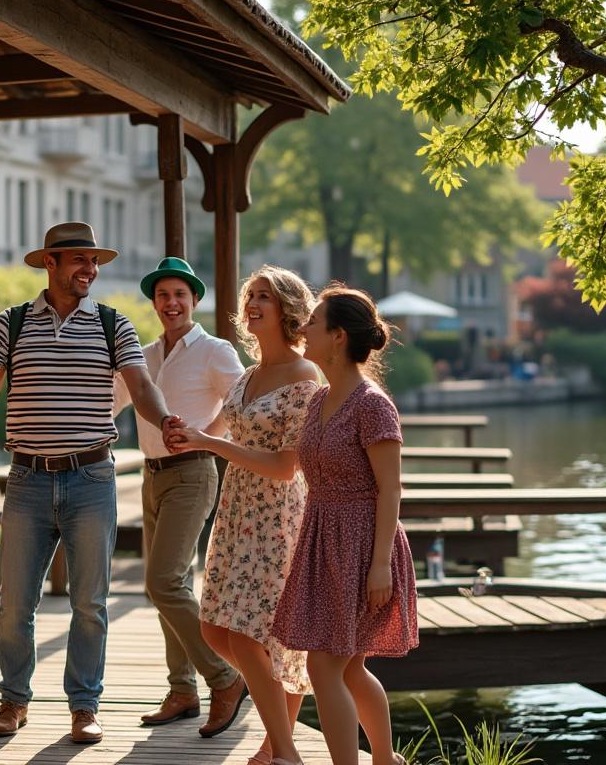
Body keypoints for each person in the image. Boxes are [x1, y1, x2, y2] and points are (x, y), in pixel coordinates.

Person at [0, 222, 182, 745]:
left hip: (92, 477)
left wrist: (164, 420)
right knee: (14, 605)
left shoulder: (111, 323)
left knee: (89, 603)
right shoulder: (8, 324)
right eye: (79, 260)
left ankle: (84, 706)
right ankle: (14, 701)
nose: (90, 270)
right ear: (49, 263)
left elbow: (142, 385)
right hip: (28, 481)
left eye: (94, 262)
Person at [167, 265, 319, 765]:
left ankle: (283, 751)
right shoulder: (250, 374)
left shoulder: (304, 375)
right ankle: (278, 742)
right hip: (237, 509)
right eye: (250, 295)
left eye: (265, 298)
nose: (252, 304)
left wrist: (211, 442)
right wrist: (190, 433)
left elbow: (284, 465)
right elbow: (228, 423)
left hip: (276, 514)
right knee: (216, 629)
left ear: (288, 310)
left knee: (255, 633)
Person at [273, 286, 419, 765]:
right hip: (324, 537)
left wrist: (381, 567)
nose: (302, 330)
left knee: (325, 664)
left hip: (362, 543)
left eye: (312, 322)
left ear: (337, 337)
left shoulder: (372, 404)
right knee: (350, 666)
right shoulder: (319, 400)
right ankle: (385, 760)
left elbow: (391, 490)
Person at [112, 257, 249, 735]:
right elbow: (111, 403)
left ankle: (225, 677)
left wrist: (205, 438)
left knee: (164, 582)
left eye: (180, 296)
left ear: (194, 301)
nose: (171, 304)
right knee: (170, 586)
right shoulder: (143, 355)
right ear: (154, 302)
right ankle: (182, 690)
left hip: (193, 473)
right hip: (151, 476)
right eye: (163, 296)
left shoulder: (215, 350)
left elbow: (240, 406)